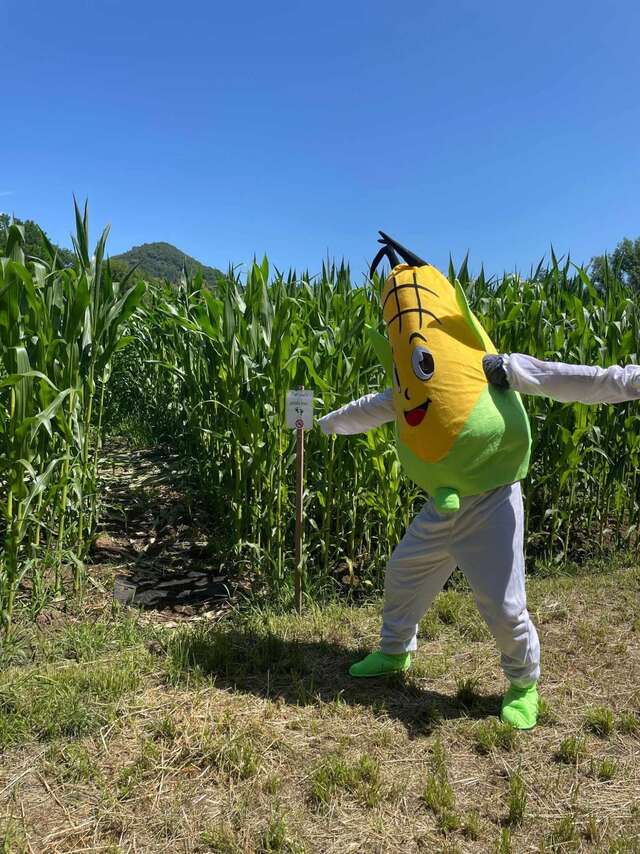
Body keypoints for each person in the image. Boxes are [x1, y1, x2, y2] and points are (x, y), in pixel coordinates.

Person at [318, 233, 640, 730]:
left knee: (504, 606)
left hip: (491, 502)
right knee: (403, 573)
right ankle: (394, 651)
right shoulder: (410, 387)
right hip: (442, 504)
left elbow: (571, 379)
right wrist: (323, 424)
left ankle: (523, 684)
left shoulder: (497, 368)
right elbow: (373, 409)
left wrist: (634, 380)